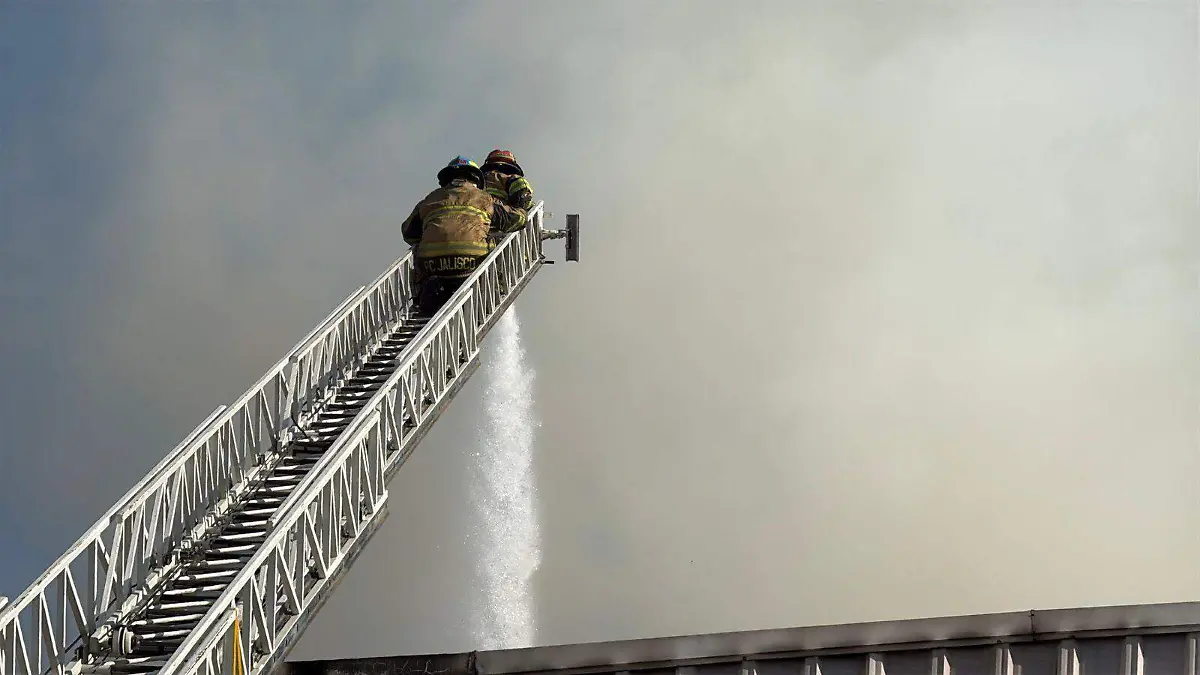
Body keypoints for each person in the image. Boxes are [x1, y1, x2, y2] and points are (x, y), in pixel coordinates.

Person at [401, 156, 528, 316]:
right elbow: (516, 220)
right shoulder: (484, 198)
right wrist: (522, 209)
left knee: (419, 251)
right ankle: (496, 286)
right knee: (494, 242)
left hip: (432, 269)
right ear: (476, 179)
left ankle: (420, 298)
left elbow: (408, 232)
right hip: (470, 267)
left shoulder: (428, 200)